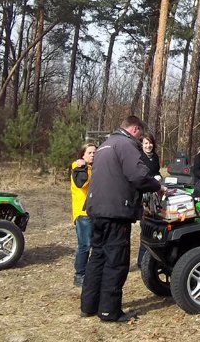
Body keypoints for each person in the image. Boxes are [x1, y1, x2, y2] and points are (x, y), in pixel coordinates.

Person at [80, 116, 163, 323]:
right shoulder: (126, 144)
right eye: (140, 134)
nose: (140, 139)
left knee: (97, 257)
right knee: (116, 261)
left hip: (96, 209)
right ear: (134, 129)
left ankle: (89, 305)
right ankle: (109, 311)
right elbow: (138, 176)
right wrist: (158, 187)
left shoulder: (105, 145)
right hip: (116, 211)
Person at [71, 142, 96, 287]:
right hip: (83, 213)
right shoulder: (79, 167)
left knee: (94, 244)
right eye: (89, 153)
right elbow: (81, 183)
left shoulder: (92, 167)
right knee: (84, 245)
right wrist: (82, 165)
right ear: (82, 155)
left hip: (93, 212)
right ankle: (79, 275)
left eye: (94, 153)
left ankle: (89, 272)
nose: (93, 155)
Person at [136, 131, 160, 268]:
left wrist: (158, 177)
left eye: (150, 143)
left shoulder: (155, 157)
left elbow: (155, 171)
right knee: (145, 226)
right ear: (141, 144)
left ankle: (150, 259)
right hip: (144, 196)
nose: (148, 145)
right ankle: (141, 260)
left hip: (154, 194)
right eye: (145, 143)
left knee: (153, 226)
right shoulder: (139, 157)